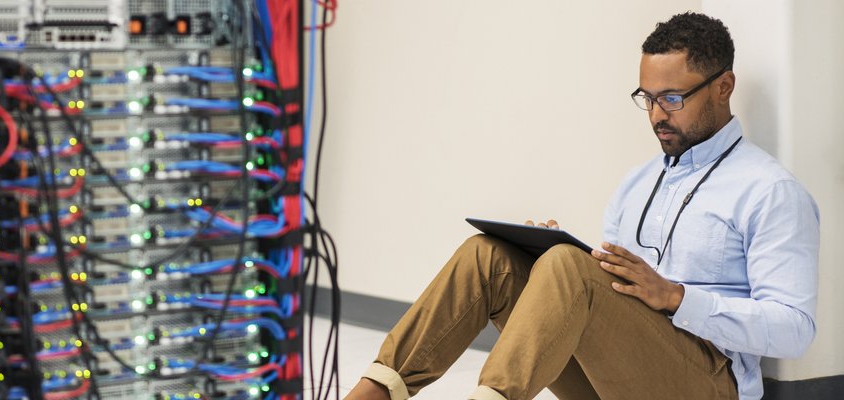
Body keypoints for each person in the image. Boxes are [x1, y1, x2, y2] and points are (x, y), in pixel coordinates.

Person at [343, 12, 819, 400]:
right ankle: (374, 393)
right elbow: (610, 289)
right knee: (487, 255)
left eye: (672, 98)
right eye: (647, 98)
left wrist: (677, 297)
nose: (656, 115)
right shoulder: (637, 183)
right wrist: (552, 258)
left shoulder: (770, 190)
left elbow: (795, 330)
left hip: (708, 383)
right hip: (614, 376)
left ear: (723, 86)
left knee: (569, 267)